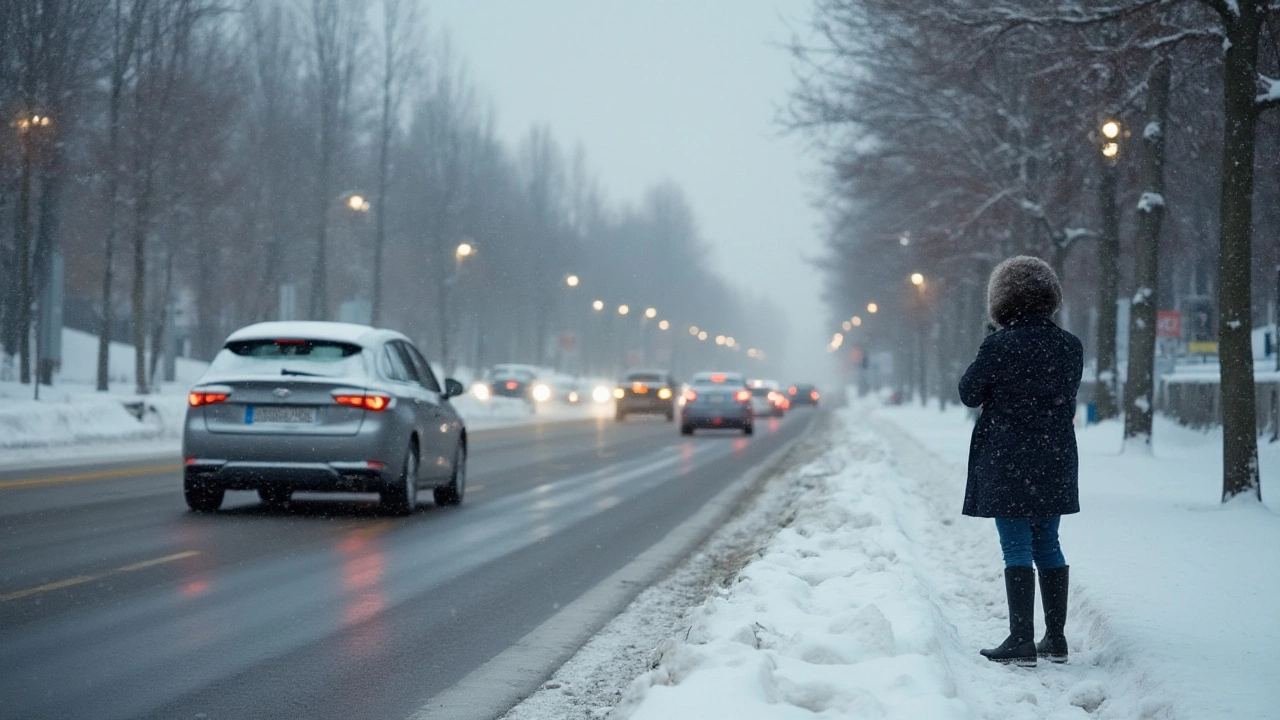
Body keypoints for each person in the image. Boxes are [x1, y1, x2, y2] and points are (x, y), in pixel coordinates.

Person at [959, 255, 1082, 667]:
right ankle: (1056, 639)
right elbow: (1065, 397)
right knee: (1047, 543)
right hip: (1055, 457)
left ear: (1002, 300)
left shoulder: (999, 345)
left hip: (1009, 458)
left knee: (1015, 546)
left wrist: (989, 346)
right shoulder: (1070, 346)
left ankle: (1021, 639)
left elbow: (969, 393)